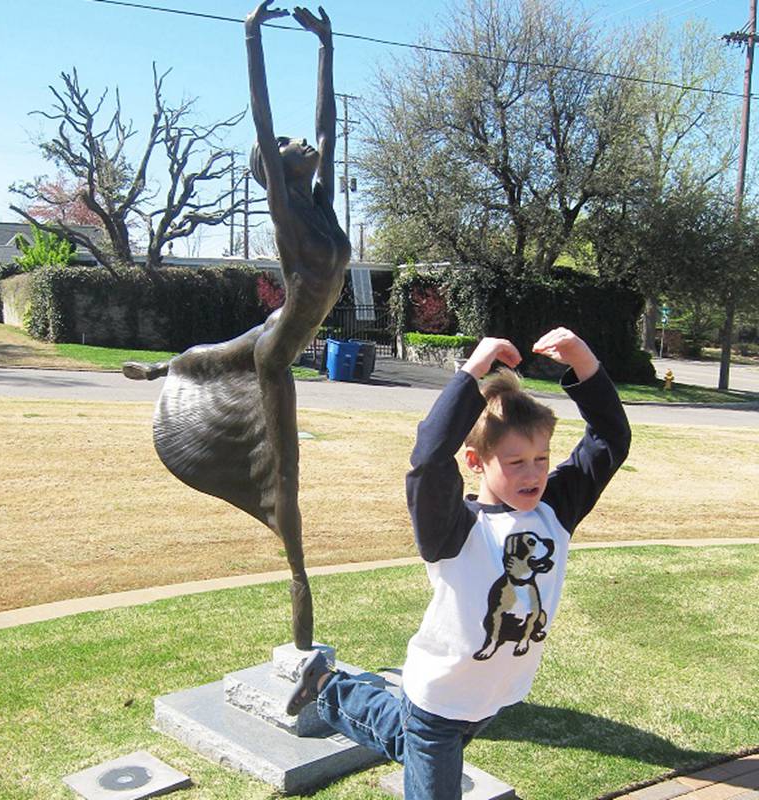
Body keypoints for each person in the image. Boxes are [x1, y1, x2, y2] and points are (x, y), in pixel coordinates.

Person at [286, 327, 631, 799]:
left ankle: (325, 686)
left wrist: (584, 361)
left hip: (492, 698)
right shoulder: (453, 529)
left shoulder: (555, 510)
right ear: (475, 461)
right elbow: (428, 460)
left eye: (541, 458)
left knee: (401, 737)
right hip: (439, 699)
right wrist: (472, 372)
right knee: (422, 748)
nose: (534, 473)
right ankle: (329, 689)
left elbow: (610, 438)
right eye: (515, 462)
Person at [122, 2, 349, 651]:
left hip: (278, 325)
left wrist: (326, 47)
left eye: (300, 143)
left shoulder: (322, 203)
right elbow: (263, 118)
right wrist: (251, 37)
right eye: (286, 146)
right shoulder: (288, 212)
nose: (300, 142)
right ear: (273, 168)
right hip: (277, 355)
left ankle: (161, 367)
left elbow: (327, 126)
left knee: (208, 353)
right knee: (284, 482)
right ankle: (299, 582)